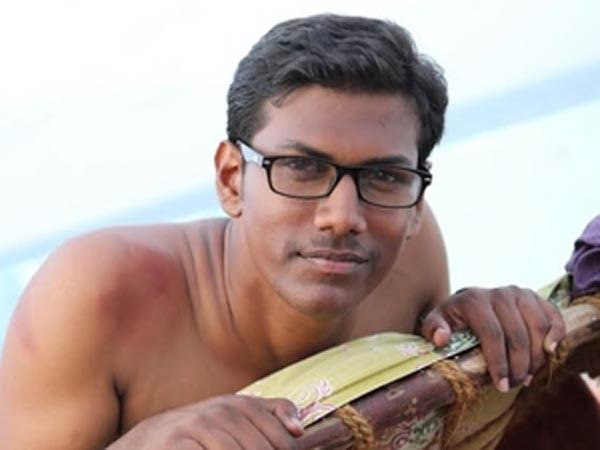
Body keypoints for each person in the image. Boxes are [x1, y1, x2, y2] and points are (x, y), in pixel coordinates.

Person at [0, 14, 565, 449]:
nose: (342, 216)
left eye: (385, 176)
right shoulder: (97, 293)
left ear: (417, 201)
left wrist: (487, 331)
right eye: (301, 167)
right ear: (231, 179)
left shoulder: (411, 257)